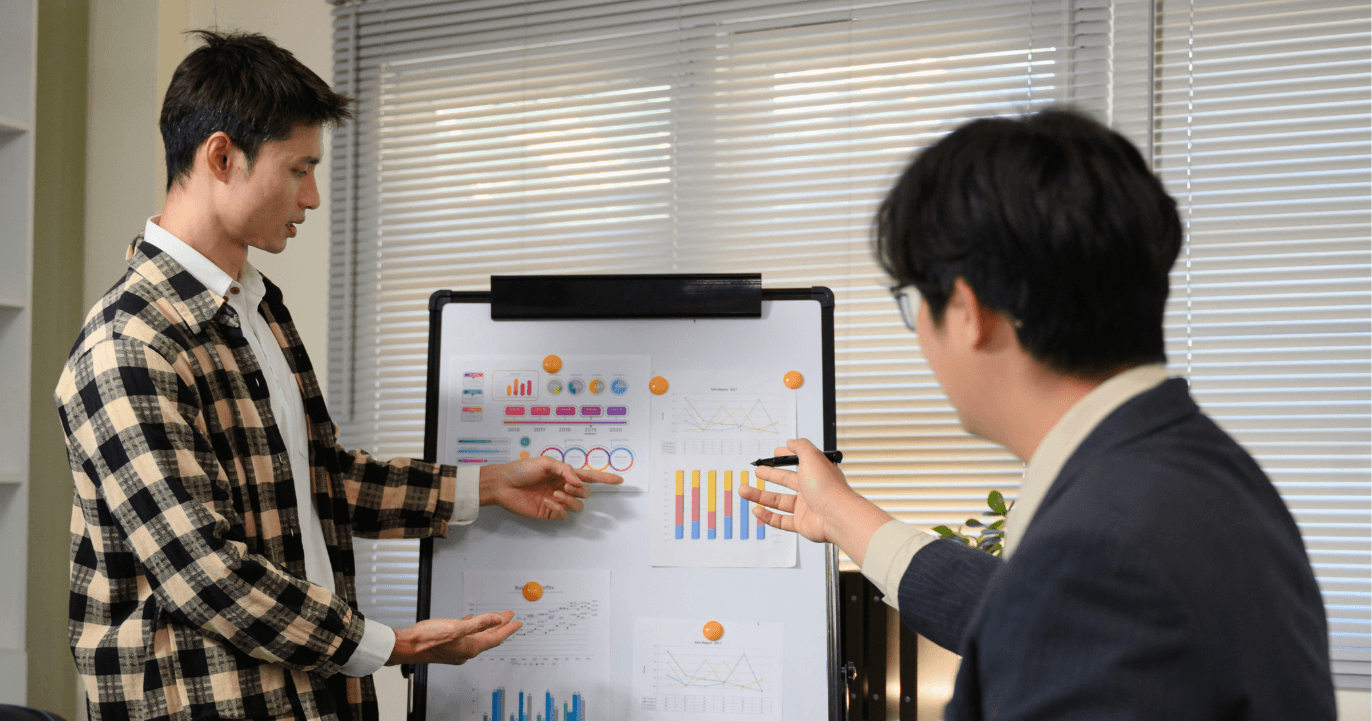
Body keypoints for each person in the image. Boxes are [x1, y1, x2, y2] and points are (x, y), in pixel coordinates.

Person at [55, 30, 621, 721]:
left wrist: (488, 484)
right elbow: (202, 571)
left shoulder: (257, 309)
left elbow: (318, 483)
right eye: (299, 169)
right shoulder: (128, 344)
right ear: (222, 156)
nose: (314, 196)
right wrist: (390, 643)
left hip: (317, 698)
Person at [741, 109, 1335, 719]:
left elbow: (1062, 605)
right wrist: (839, 514)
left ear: (971, 312)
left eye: (913, 301)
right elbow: (1019, 611)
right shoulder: (1191, 472)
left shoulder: (1097, 551)